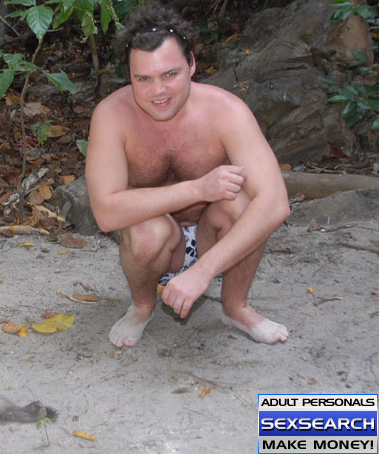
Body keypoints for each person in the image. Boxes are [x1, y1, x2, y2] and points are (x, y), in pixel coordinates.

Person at [85, 4, 290, 348]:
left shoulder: (226, 110)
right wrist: (198, 188)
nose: (158, 91)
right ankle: (141, 306)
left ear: (192, 64)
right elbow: (106, 213)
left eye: (170, 74)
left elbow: (276, 204)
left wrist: (203, 272)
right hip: (159, 243)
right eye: (143, 79)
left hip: (215, 235)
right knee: (146, 229)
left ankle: (235, 306)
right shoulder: (111, 115)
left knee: (241, 202)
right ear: (130, 76)